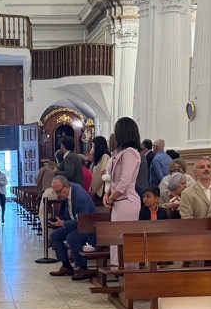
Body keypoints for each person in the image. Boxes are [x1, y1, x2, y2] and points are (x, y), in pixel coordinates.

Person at [105, 117, 142, 266]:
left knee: (124, 240)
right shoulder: (119, 152)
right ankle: (118, 270)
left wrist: (111, 198)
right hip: (118, 201)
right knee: (116, 239)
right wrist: (107, 194)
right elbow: (114, 180)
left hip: (127, 201)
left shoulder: (130, 152)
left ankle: (128, 271)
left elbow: (125, 181)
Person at [48, 175, 97, 280]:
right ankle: (66, 266)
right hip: (75, 225)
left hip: (89, 228)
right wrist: (58, 221)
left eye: (58, 192)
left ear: (66, 186)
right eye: (55, 192)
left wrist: (63, 223)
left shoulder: (80, 198)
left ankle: (83, 268)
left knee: (72, 237)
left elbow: (83, 221)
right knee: (55, 236)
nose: (57, 195)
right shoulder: (66, 192)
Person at [88, 136, 111, 203]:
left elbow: (102, 175)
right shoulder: (98, 159)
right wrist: (91, 187)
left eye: (93, 146)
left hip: (100, 191)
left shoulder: (105, 157)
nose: (92, 149)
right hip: (95, 190)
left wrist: (95, 189)